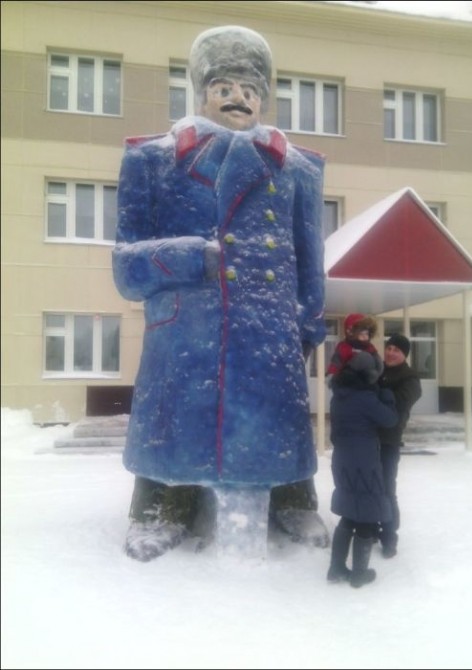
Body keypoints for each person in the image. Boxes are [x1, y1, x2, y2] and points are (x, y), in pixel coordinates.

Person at [112, 25, 328, 561]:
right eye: (226, 85)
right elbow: (124, 266)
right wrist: (193, 255)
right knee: (179, 421)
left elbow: (310, 260)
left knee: (273, 421)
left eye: (252, 88)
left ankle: (289, 493)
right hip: (187, 329)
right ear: (201, 90)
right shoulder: (153, 159)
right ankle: (162, 503)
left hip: (267, 330)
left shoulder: (295, 168)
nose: (240, 98)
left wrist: (304, 323)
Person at [327, 351, 398, 588]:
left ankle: (336, 569)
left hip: (341, 459)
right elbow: (389, 419)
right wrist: (386, 395)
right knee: (367, 513)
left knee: (349, 511)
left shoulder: (338, 396)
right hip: (364, 461)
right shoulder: (367, 399)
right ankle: (359, 573)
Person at [377, 334, 422, 558]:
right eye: (389, 348)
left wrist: (376, 393)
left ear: (404, 355)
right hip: (370, 440)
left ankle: (389, 537)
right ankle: (371, 527)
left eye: (396, 350)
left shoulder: (410, 377)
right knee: (370, 487)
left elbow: (400, 401)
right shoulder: (379, 370)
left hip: (389, 442)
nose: (391, 353)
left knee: (387, 489)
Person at [326, 313, 383, 385]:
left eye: (367, 334)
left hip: (366, 380)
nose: (365, 337)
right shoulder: (343, 347)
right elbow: (336, 362)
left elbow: (377, 360)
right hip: (347, 381)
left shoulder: (369, 347)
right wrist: (332, 375)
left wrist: (378, 371)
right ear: (350, 332)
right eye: (362, 334)